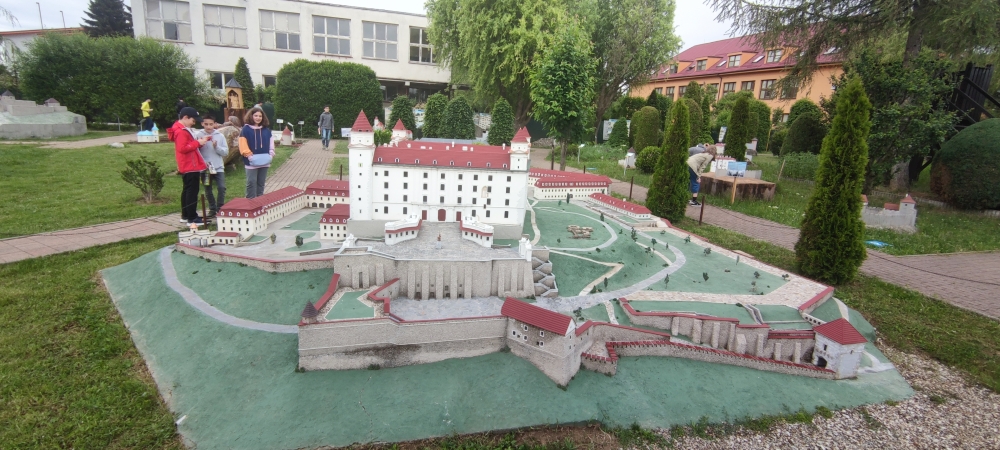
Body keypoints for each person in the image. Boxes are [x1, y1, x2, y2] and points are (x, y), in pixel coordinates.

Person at [168, 107, 211, 224]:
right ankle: (192, 217)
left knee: (187, 190)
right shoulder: (181, 131)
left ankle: (186, 215)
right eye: (193, 120)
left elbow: (187, 145)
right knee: (192, 191)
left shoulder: (180, 129)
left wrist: (199, 143)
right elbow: (182, 148)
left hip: (187, 164)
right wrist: (198, 142)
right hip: (190, 164)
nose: (194, 123)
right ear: (185, 118)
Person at [195, 115, 228, 218]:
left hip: (218, 167)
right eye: (206, 124)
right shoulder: (198, 135)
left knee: (221, 187)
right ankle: (212, 209)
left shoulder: (220, 136)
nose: (209, 127)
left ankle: (220, 208)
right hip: (205, 168)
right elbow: (195, 151)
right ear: (202, 124)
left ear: (215, 124)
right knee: (208, 189)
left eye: (211, 124)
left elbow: (225, 152)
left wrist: (216, 147)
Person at [239, 107, 274, 198]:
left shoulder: (266, 130)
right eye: (256, 116)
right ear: (251, 116)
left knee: (261, 183)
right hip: (251, 161)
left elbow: (271, 143)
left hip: (265, 161)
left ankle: (260, 200)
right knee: (251, 182)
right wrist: (249, 156)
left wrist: (271, 154)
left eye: (260, 116)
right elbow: (243, 145)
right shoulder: (245, 129)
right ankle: (250, 201)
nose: (258, 118)